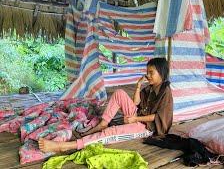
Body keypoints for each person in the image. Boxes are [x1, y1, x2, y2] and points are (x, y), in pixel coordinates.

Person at [38, 58, 173, 153]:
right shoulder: (150, 88)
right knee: (119, 93)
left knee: (111, 132)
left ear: (161, 73)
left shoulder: (165, 91)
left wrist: (135, 120)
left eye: (151, 73)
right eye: (147, 72)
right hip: (137, 117)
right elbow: (136, 103)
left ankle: (64, 146)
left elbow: (158, 116)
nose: (147, 75)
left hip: (147, 127)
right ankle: (103, 123)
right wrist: (138, 87)